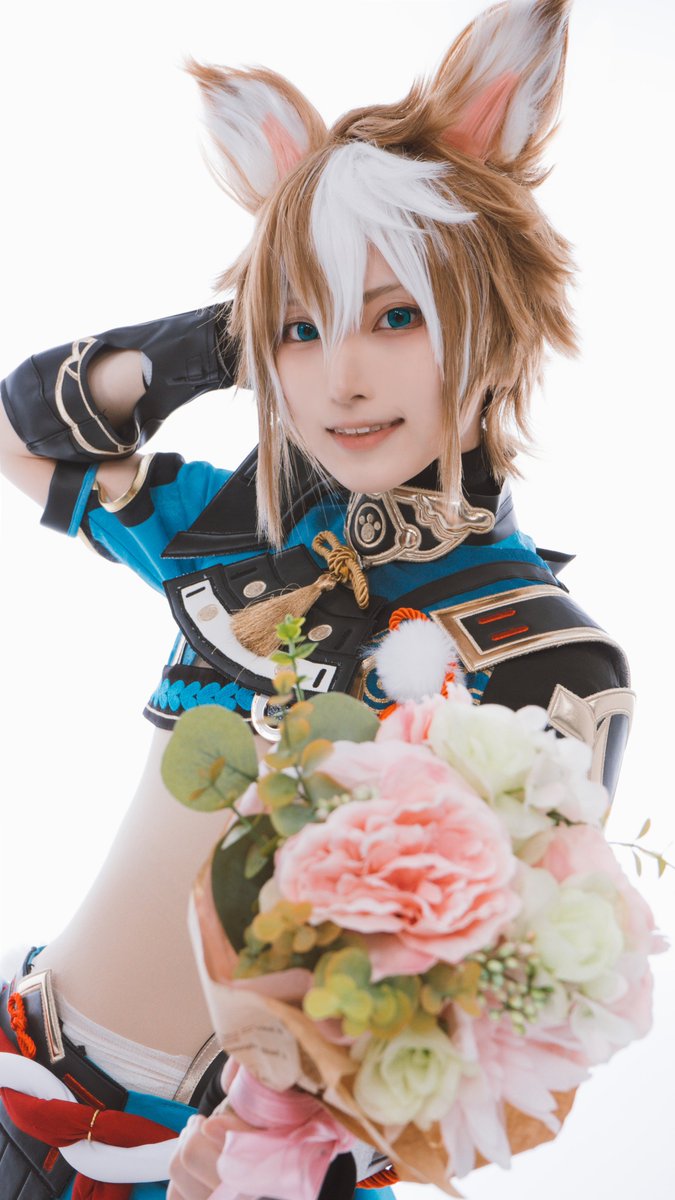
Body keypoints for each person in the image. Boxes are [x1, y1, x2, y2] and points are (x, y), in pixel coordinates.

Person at [0, 1, 635, 1197]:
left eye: (395, 317)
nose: (341, 377)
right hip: (21, 1065)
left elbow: (517, 1008)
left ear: (493, 324)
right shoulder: (236, 536)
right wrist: (243, 325)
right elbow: (24, 430)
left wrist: (283, 1158)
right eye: (305, 331)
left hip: (228, 1172)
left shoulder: (542, 651)